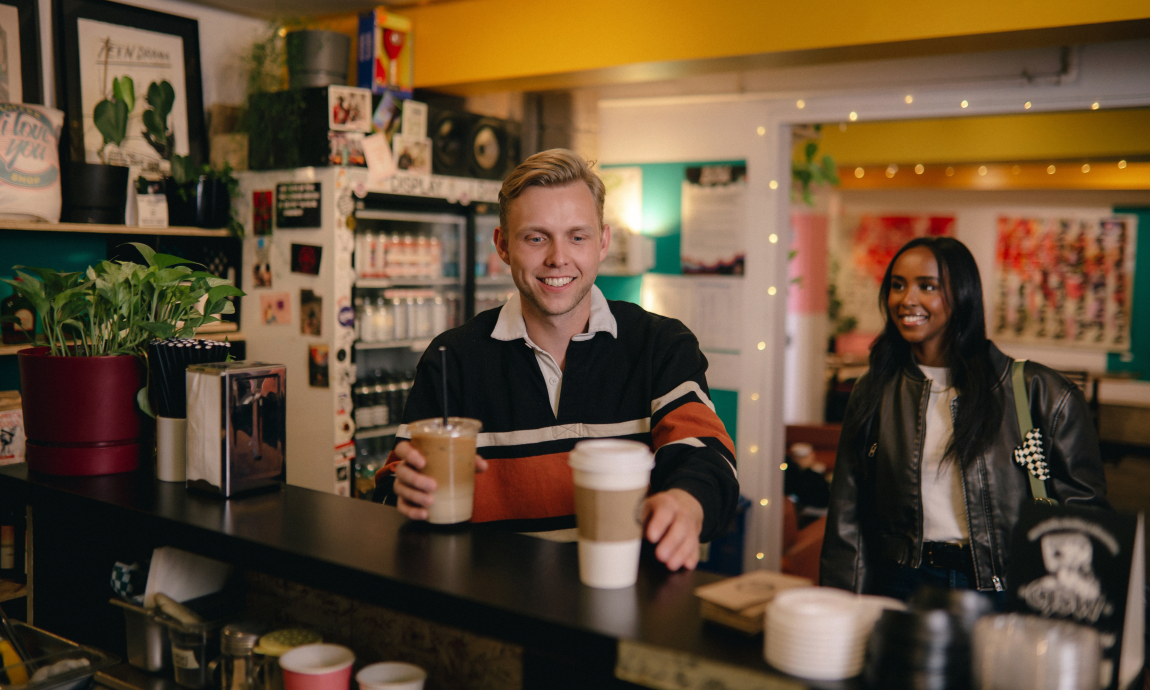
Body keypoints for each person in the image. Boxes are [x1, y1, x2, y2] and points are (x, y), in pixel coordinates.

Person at [375, 149, 739, 571]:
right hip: (496, 607)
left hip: (626, 605)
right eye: (536, 237)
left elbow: (707, 457)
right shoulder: (452, 358)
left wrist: (687, 502)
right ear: (503, 245)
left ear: (602, 243)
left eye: (577, 237)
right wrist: (406, 492)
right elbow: (391, 492)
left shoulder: (661, 344)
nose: (558, 258)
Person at [819, 237, 1107, 599]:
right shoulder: (874, 390)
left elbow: (1085, 517)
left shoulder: (1043, 392)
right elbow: (848, 514)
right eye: (897, 285)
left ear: (963, 296)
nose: (907, 299)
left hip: (1003, 586)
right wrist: (838, 605)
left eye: (927, 286)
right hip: (900, 583)